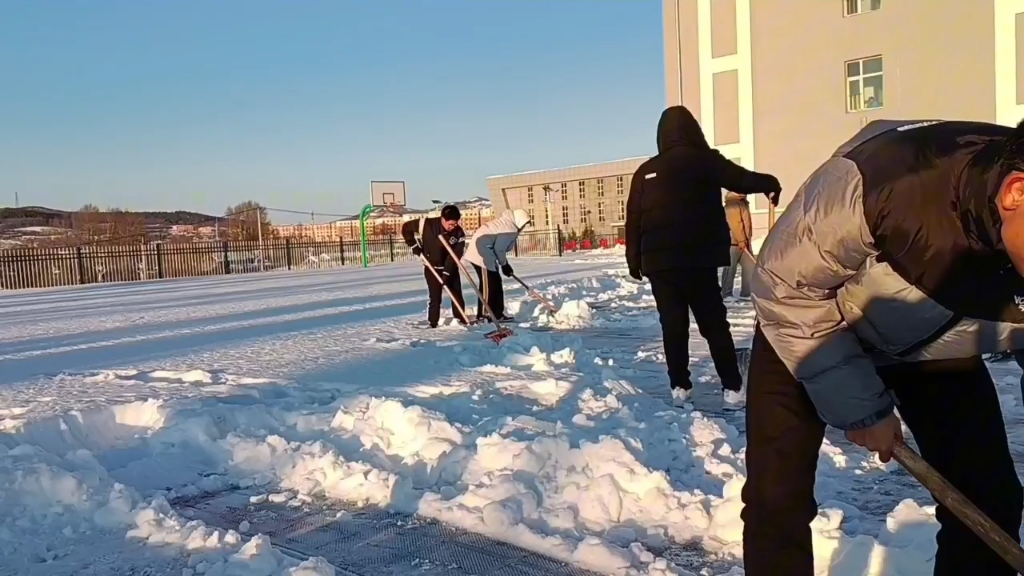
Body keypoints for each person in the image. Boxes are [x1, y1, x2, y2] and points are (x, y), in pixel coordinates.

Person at [744, 118, 1024, 576]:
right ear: (1016, 193)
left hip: (932, 346)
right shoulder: (886, 181)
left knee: (987, 499)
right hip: (809, 322)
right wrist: (863, 409)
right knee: (778, 498)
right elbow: (784, 285)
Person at [625, 105, 781, 409]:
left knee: (673, 325)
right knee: (714, 325)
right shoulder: (705, 161)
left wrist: (634, 260)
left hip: (661, 265)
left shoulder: (645, 172)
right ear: (694, 130)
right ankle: (732, 387)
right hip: (699, 260)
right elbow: (742, 180)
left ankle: (679, 386)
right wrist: (770, 183)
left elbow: (634, 219)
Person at [401, 204, 467, 328]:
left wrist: (446, 273)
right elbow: (406, 228)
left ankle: (461, 321)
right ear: (443, 219)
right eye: (450, 224)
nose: (453, 227)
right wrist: (414, 246)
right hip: (431, 267)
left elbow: (455, 255)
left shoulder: (458, 233)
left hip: (450, 268)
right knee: (435, 297)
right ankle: (433, 323)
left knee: (456, 295)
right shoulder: (426, 224)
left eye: (455, 224)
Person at [461, 208, 532, 322]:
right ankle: (484, 315)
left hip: (487, 254)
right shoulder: (509, 228)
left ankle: (497, 313)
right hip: (480, 255)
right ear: (520, 221)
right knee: (488, 285)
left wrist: (504, 264)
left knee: (496, 283)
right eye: (524, 224)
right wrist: (504, 265)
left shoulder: (507, 224)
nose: (523, 228)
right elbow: (499, 249)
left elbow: (498, 247)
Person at [721, 192, 753, 298]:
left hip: (744, 243)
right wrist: (741, 240)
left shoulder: (742, 203)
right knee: (730, 269)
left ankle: (747, 293)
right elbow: (735, 224)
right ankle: (726, 293)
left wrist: (746, 240)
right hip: (733, 243)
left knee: (750, 267)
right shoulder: (732, 205)